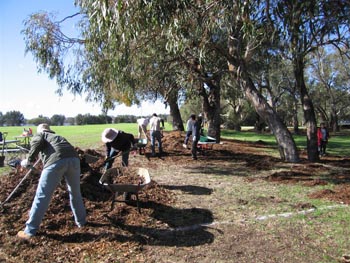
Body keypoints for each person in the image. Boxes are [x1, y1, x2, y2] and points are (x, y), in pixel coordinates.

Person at [17, 123, 86, 240]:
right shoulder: (57, 137)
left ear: (39, 131)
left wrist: (28, 160)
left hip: (56, 162)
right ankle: (81, 222)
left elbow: (37, 142)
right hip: (74, 160)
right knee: (75, 192)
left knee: (42, 195)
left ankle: (30, 231)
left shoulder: (40, 135)